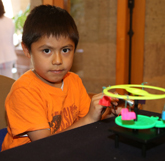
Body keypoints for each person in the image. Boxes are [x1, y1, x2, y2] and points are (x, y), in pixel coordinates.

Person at [1, 5, 119, 151]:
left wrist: (109, 112)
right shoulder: (24, 91)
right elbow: (45, 146)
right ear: (27, 50)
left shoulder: (73, 81)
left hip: (65, 149)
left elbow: (88, 122)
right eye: (46, 50)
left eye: (65, 50)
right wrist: (89, 118)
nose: (57, 60)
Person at [0, 0, 17, 78]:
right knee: (7, 83)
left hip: (3, 58)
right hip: (9, 57)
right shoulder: (9, 21)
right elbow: (11, 41)